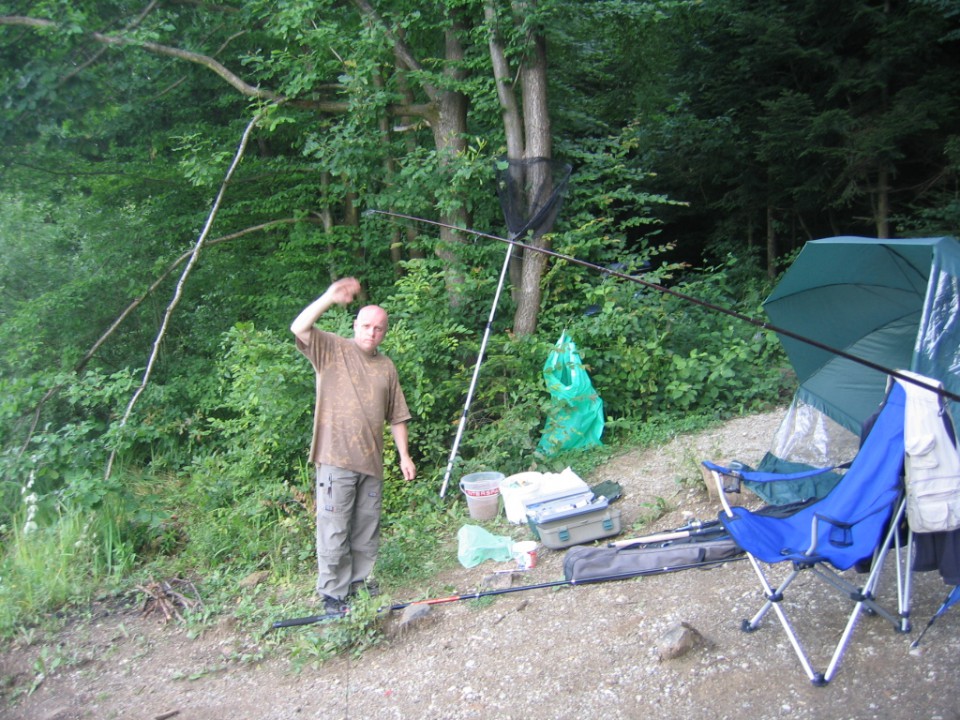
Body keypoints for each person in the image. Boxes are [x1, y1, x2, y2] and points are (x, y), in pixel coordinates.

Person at [291, 277, 416, 613]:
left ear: (384, 332)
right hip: (335, 459)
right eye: (365, 325)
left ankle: (359, 586)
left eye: (378, 328)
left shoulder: (386, 366)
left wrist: (404, 455)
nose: (371, 333)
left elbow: (397, 416)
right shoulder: (331, 349)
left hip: (371, 463)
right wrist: (328, 297)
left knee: (365, 531)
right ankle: (333, 595)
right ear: (355, 325)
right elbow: (299, 327)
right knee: (334, 531)